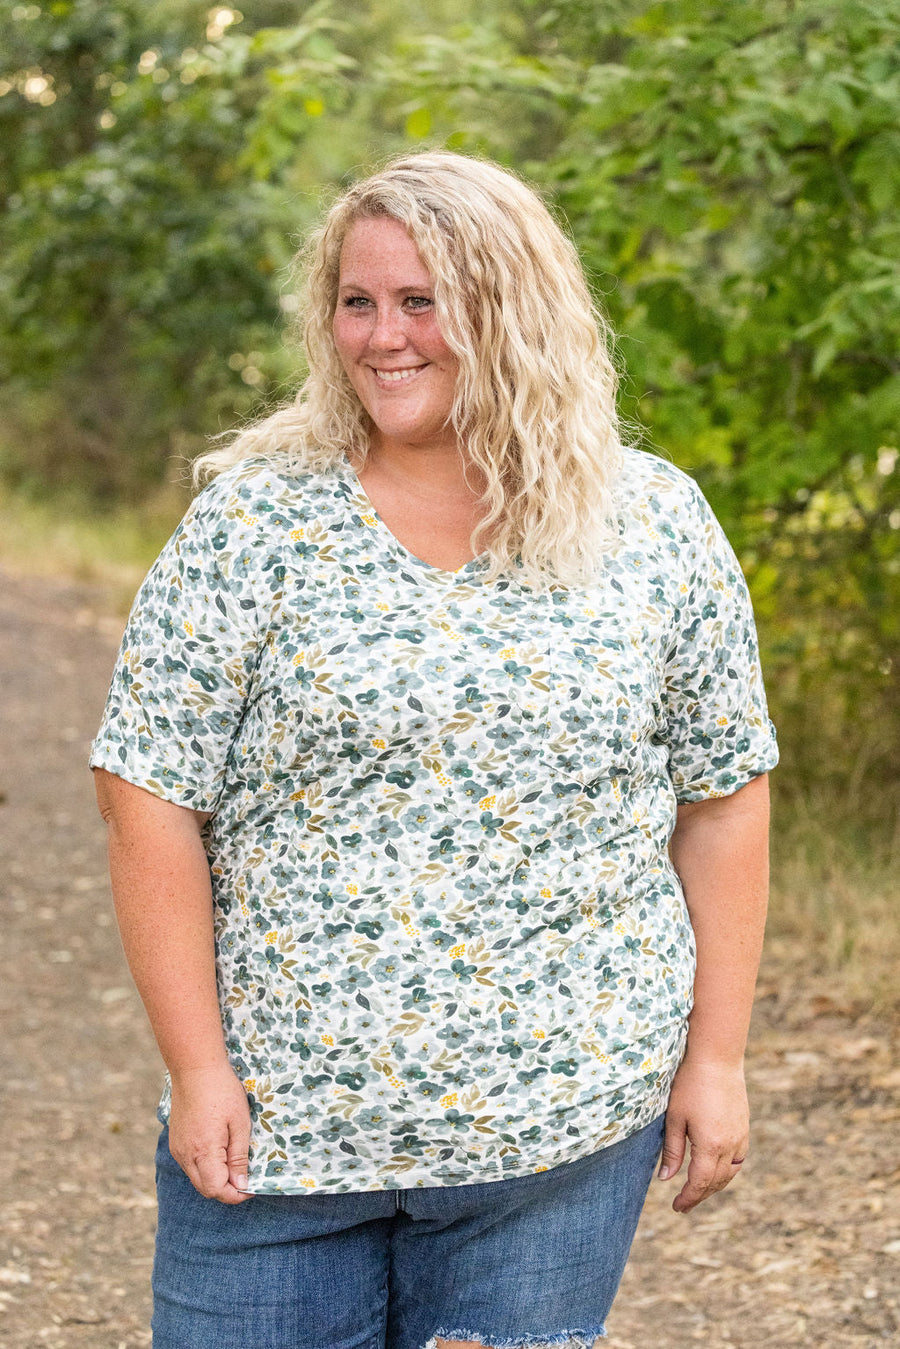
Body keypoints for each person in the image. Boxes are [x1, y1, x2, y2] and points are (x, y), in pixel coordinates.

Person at [91, 150, 778, 1349]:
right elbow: (146, 783)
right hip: (284, 1135)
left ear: (511, 311)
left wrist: (714, 1056)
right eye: (358, 302)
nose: (382, 336)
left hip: (557, 1140)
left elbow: (725, 792)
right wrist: (199, 1067)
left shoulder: (652, 521)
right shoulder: (258, 518)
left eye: (423, 301)